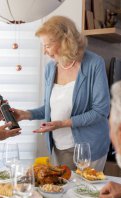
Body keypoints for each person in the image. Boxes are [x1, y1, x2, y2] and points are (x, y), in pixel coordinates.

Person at [12, 16, 110, 171]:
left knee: (85, 193)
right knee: (62, 191)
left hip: (88, 148)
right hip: (59, 146)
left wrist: (62, 123)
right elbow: (52, 108)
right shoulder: (51, 68)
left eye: (48, 46)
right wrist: (25, 114)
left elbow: (100, 111)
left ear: (65, 42)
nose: (45, 52)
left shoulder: (94, 64)